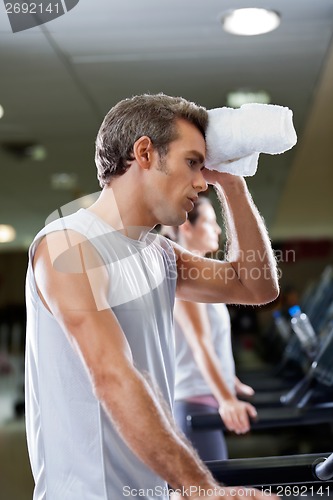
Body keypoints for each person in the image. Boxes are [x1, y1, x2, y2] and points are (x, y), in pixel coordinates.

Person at [25, 93, 279, 500]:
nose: (202, 181)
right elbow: (111, 374)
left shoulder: (158, 253)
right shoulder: (68, 245)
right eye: (193, 162)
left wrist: (233, 182)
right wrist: (200, 487)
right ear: (145, 153)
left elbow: (255, 286)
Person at [162, 196, 257, 462]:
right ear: (186, 227)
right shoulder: (187, 276)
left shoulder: (199, 277)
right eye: (210, 222)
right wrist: (227, 399)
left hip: (201, 398)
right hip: (194, 403)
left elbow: (209, 343)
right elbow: (199, 344)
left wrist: (230, 380)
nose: (217, 230)